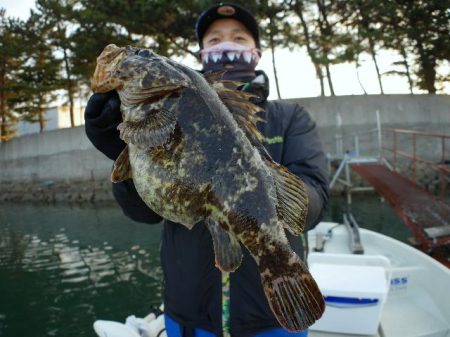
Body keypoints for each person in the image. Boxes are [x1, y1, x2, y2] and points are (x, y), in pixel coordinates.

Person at [85, 3, 329, 337]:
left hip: (268, 323)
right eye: (214, 40)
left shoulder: (289, 118)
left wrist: (261, 204)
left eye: (238, 37)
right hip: (189, 317)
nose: (226, 45)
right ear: (202, 53)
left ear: (256, 52)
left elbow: (314, 199)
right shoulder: (175, 103)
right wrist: (121, 151)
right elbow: (144, 213)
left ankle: (278, 267)